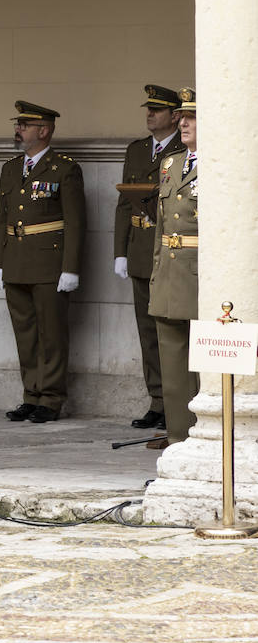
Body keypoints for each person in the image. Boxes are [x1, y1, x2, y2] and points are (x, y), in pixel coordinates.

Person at [0, 100, 86, 424]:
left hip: (49, 264)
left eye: (24, 125)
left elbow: (75, 222)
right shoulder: (10, 168)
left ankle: (51, 397)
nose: (17, 130)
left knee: (51, 334)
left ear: (43, 131)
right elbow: (2, 219)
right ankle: (31, 395)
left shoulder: (64, 168)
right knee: (25, 334)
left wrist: (70, 268)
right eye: (17, 124)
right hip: (16, 261)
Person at [114, 85, 184, 431]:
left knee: (173, 331)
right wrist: (120, 251)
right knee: (147, 331)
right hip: (141, 248)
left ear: (175, 116)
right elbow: (123, 204)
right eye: (148, 109)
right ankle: (157, 400)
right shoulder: (137, 150)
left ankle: (179, 401)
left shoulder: (184, 149)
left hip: (172, 247)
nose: (150, 114)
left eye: (157, 109)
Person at [148, 88, 200, 448]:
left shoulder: (225, 163)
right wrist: (156, 272)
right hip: (169, 271)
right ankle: (179, 434)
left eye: (192, 117)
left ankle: (205, 432)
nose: (184, 123)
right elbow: (161, 228)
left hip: (200, 275)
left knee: (205, 360)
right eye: (182, 117)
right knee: (172, 360)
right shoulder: (170, 163)